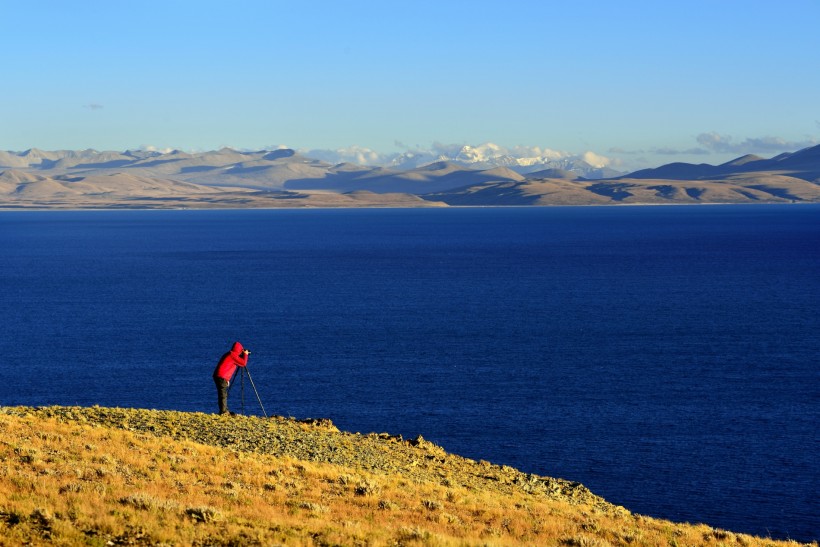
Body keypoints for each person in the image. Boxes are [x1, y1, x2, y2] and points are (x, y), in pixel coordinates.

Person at [212, 341, 250, 415]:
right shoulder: (233, 355)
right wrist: (245, 355)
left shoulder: (229, 353)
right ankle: (223, 412)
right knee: (223, 394)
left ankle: (225, 410)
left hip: (219, 375)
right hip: (221, 376)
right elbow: (243, 363)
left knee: (223, 394)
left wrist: (227, 380)